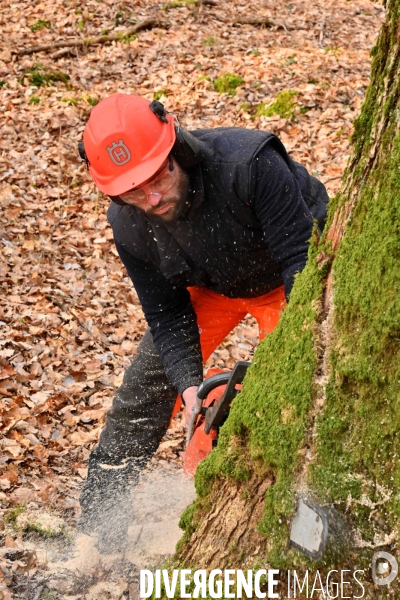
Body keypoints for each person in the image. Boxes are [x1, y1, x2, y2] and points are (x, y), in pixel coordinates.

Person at [77, 93, 329, 553]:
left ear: (179, 150)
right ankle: (96, 532)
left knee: (292, 390)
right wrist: (189, 386)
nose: (152, 198)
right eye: (134, 190)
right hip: (210, 284)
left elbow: (301, 260)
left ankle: (287, 518)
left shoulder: (249, 165)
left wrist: (284, 356)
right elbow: (168, 314)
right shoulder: (129, 224)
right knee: (147, 388)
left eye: (159, 177)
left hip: (291, 273)